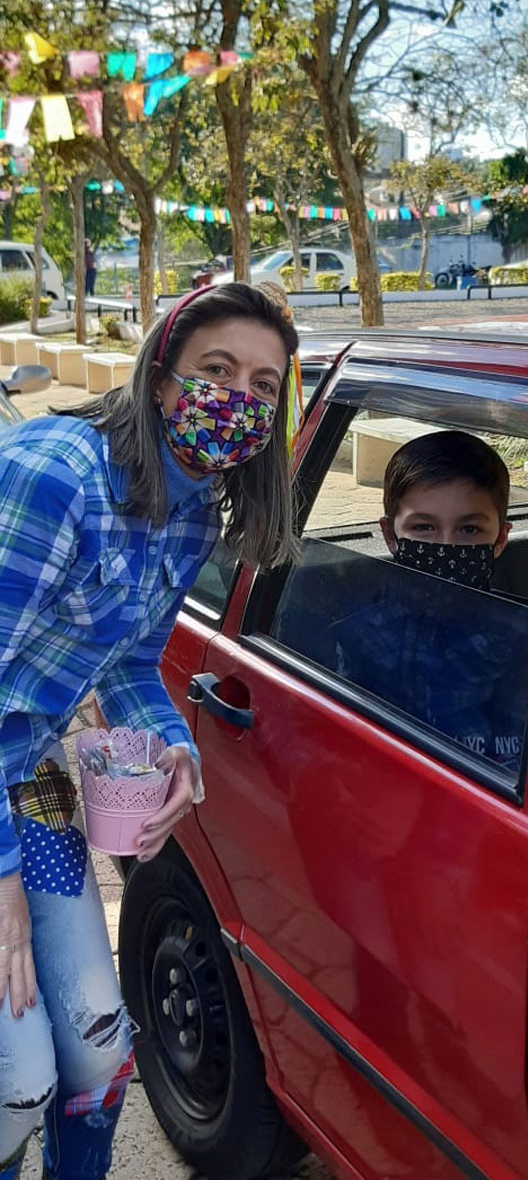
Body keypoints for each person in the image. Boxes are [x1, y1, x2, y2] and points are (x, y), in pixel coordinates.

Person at [0, 282, 299, 1180]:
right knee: (18, 1078)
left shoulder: (195, 510)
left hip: (29, 771)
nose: (237, 400)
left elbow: (131, 660)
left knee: (96, 1041)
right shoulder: (60, 477)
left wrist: (174, 741)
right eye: (217, 370)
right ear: (164, 377)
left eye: (262, 384)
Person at [330, 429, 528, 768]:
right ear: (390, 536)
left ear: (500, 539)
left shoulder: (526, 637)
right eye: (424, 528)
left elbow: (526, 754)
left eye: (469, 530)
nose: (447, 547)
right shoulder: (363, 634)